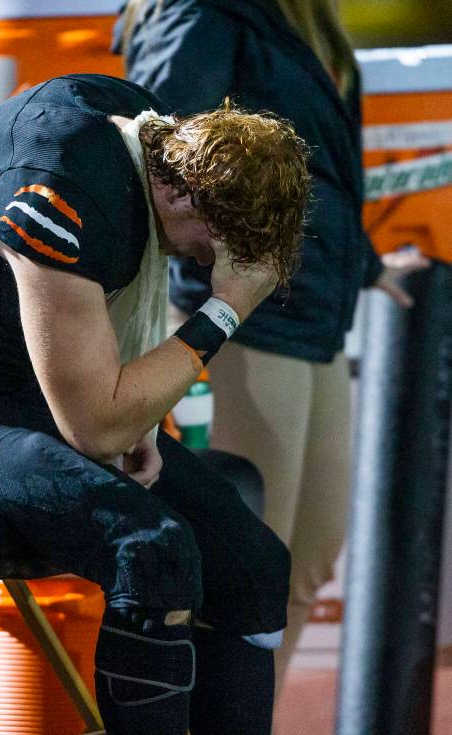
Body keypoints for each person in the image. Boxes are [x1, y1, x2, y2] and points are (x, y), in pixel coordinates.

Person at [0, 73, 310, 734]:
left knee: (254, 566)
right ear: (185, 194)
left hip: (24, 398)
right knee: (151, 549)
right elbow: (94, 425)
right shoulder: (56, 179)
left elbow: (103, 393)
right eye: (210, 246)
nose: (206, 262)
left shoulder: (139, 133)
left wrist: (132, 417)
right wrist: (225, 309)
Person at [115, 0, 431, 709]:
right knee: (247, 570)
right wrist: (216, 283)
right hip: (243, 314)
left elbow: (312, 168)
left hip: (312, 309)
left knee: (306, 558)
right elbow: (162, 156)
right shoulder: (201, 9)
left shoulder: (301, 14)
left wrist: (364, 262)